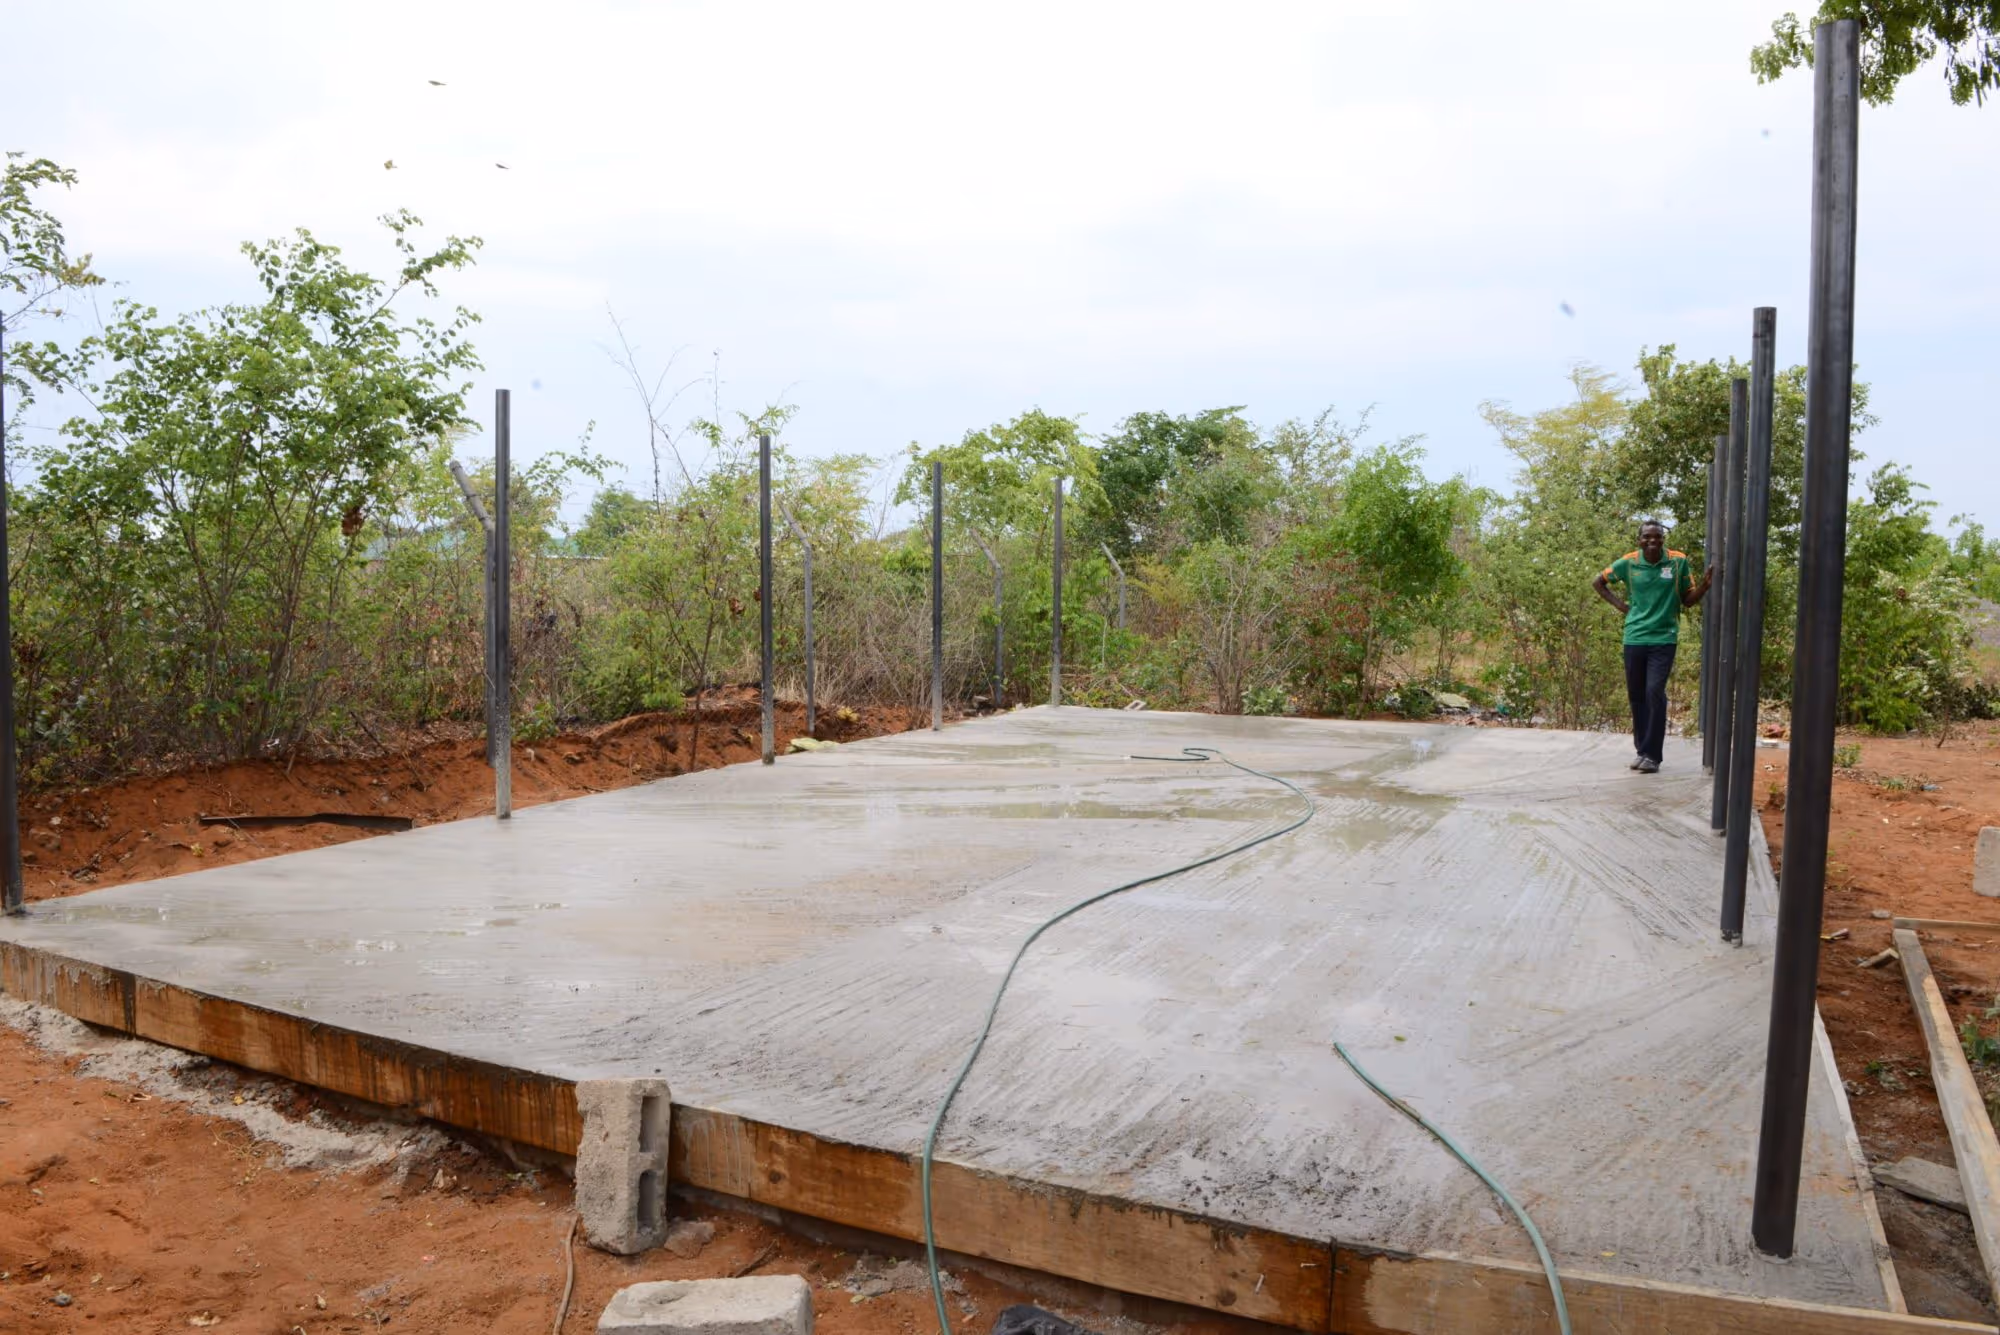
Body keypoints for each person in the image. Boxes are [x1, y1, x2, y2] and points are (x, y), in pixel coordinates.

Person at [1592, 521, 1714, 774]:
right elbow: (1598, 582)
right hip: (1635, 637)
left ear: (1663, 539)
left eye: (1657, 536)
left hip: (1664, 638)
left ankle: (1653, 756)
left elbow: (1688, 600)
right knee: (1637, 695)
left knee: (1654, 692)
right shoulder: (1628, 563)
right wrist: (1622, 607)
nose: (1652, 541)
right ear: (1639, 540)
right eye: (1647, 537)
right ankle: (1642, 751)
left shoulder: (1678, 561)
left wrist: (1704, 586)